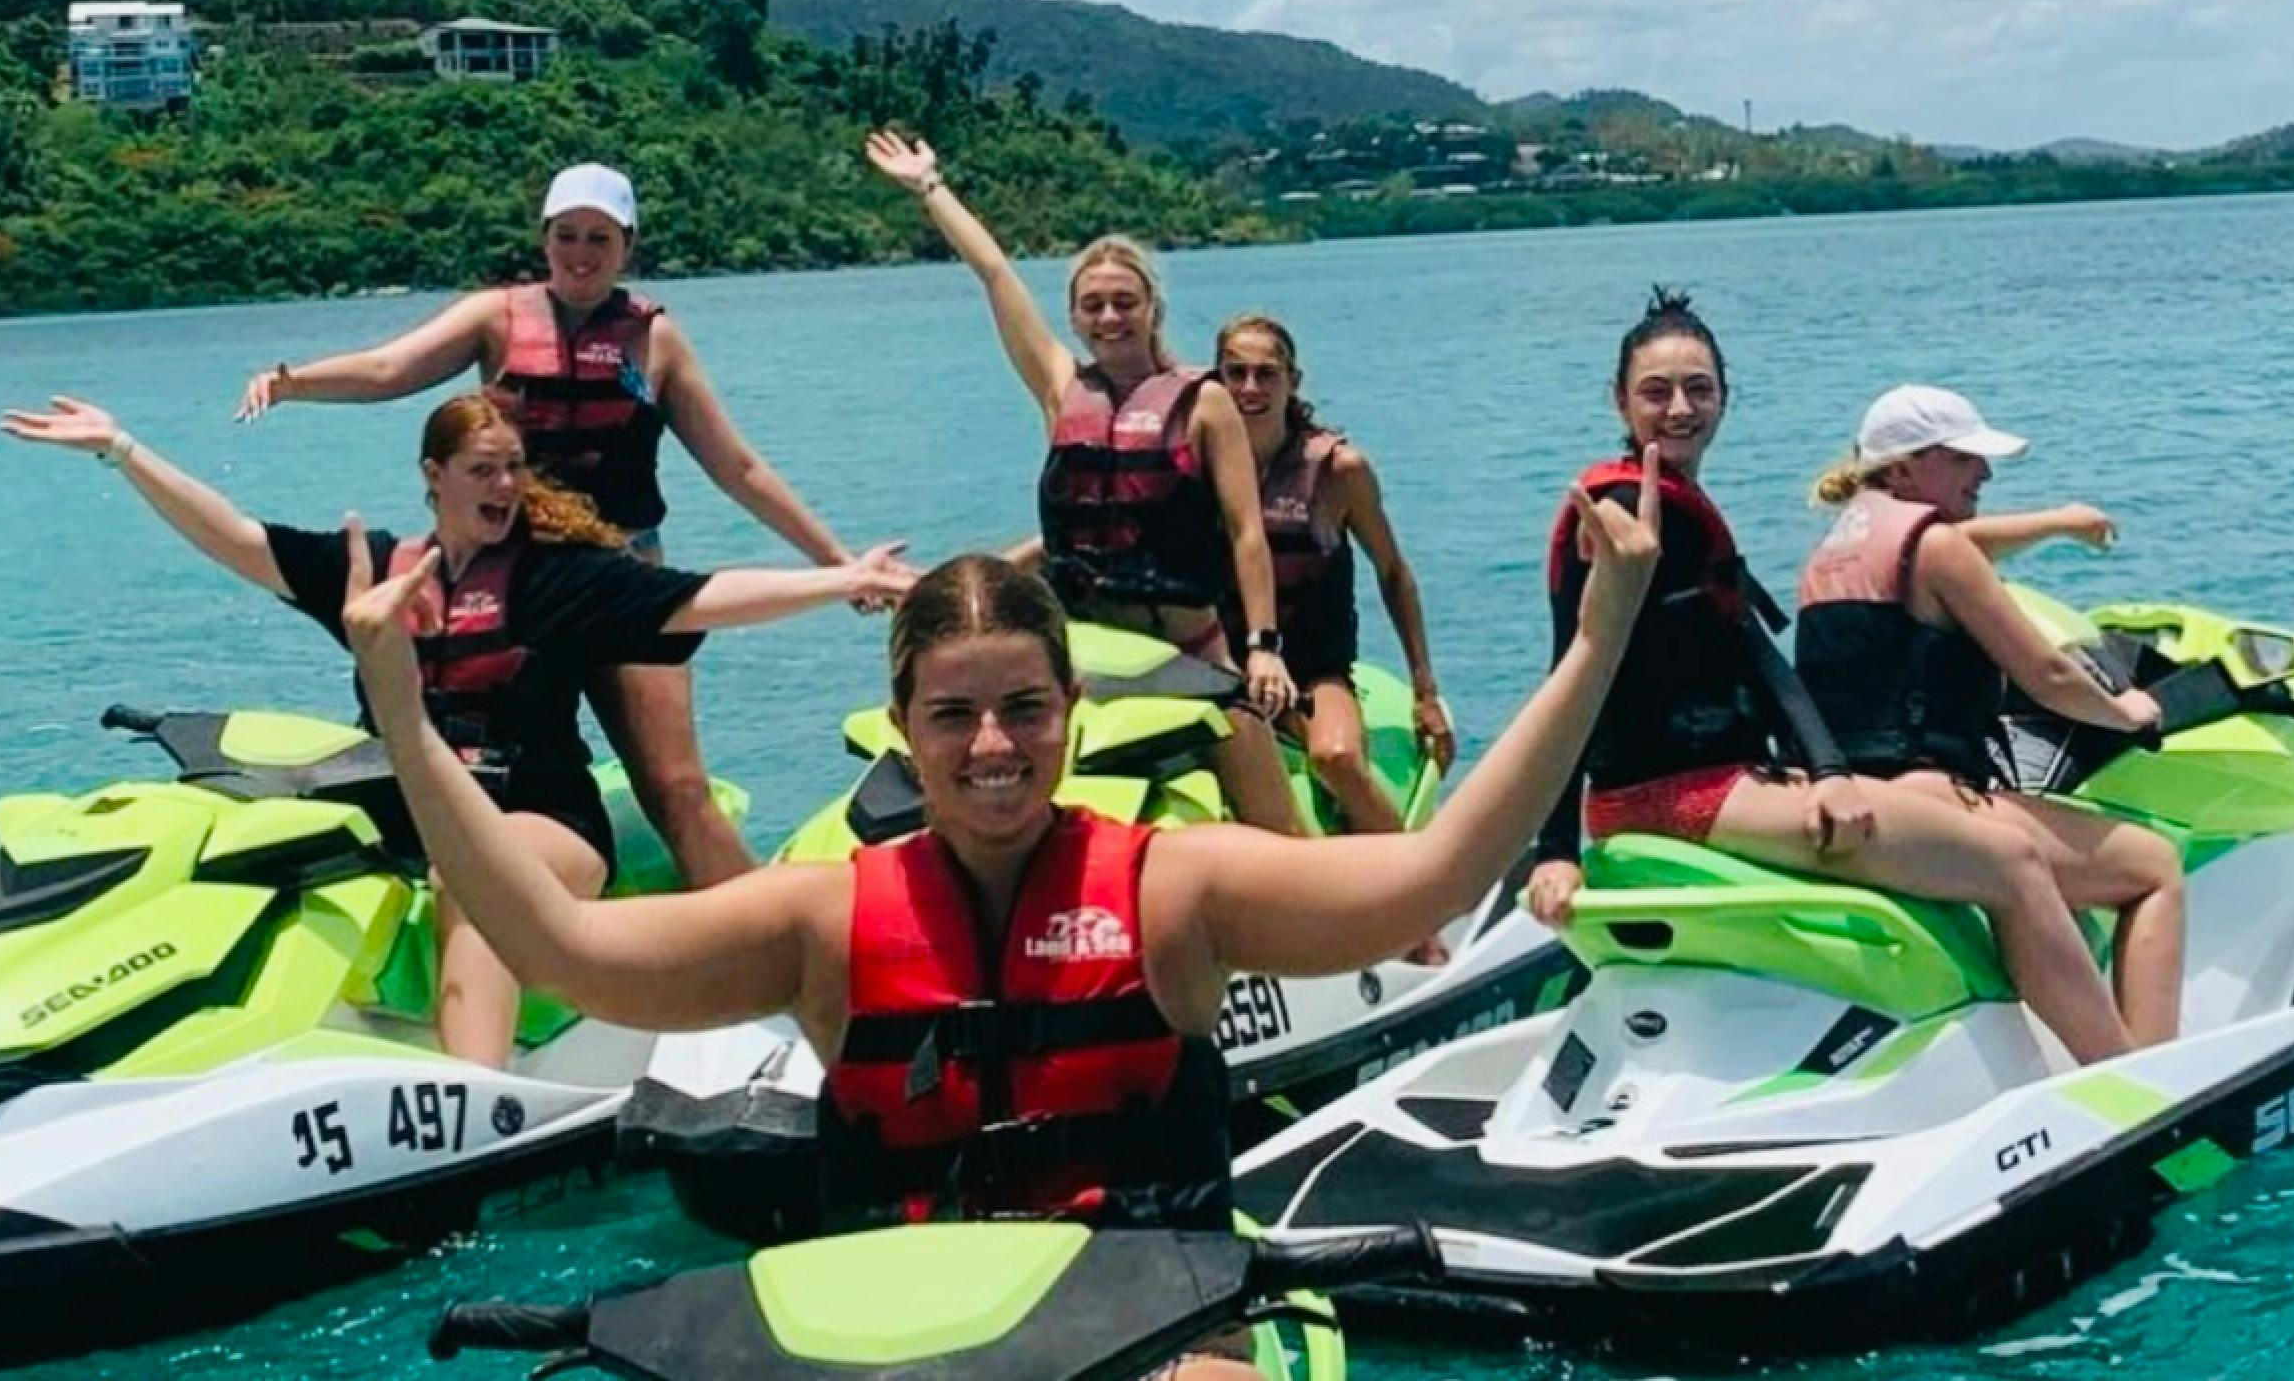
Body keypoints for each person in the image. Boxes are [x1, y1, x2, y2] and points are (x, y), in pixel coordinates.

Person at [324, 473, 1661, 1379]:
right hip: (895, 1344)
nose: (993, 746)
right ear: (904, 728)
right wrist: (404, 709)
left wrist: (1597, 642)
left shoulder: (1175, 888)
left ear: (1070, 709)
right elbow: (562, 949)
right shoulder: (826, 917)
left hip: (1158, 1337)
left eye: (1024, 708)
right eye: (954, 715)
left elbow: (1432, 878)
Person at [0, 393, 916, 1066]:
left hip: (543, 821)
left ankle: (477, 1095)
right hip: (415, 816)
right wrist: (122, 449)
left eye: (514, 467)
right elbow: (235, 538)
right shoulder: (373, 571)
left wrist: (842, 579)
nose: (505, 485)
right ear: (434, 478)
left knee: (474, 877)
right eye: (483, 469)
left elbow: (703, 598)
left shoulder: (555, 578)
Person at [1521, 291, 2160, 1066]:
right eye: (1657, 392)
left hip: (1721, 780)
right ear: (1620, 400)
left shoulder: (1684, 509)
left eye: (1699, 388)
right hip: (1678, 794)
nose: (1680, 408)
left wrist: (1826, 772)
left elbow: (1757, 656)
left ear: (1725, 396)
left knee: (1979, 847)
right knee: (2011, 861)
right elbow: (1570, 675)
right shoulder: (1621, 509)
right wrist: (1554, 849)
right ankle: (2127, 1077)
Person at [230, 163, 864, 888]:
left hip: (617, 581)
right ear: (544, 238)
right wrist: (294, 382)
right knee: (483, 758)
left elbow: (738, 468)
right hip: (519, 585)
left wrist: (837, 562)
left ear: (627, 245)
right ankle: (508, 896)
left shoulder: (655, 340)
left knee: (676, 787)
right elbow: (386, 368)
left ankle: (758, 934)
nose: (581, 253)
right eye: (567, 235)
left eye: (600, 238)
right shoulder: (494, 319)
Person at [864, 130, 1305, 838]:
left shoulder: (1205, 402)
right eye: (1093, 305)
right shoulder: (1062, 388)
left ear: (1153, 309)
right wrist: (929, 187)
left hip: (1184, 654)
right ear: (1073, 315)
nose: (1109, 317)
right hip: (1079, 651)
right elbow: (995, 274)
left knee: (1255, 771)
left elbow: (1247, 533)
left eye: (1124, 302)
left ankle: (1308, 886)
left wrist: (1263, 647)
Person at [1798, 384, 2184, 1049]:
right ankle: (2150, 1075)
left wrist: (2059, 523)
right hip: (1933, 797)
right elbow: (2050, 676)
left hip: (1859, 798)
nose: (1984, 472)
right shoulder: (1937, 550)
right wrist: (2127, 712)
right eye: (1962, 458)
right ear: (1904, 470)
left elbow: (1961, 545)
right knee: (2154, 869)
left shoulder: (1835, 551)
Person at [1215, 313, 1456, 962]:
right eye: (1235, 373)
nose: (1250, 387)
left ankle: (1420, 921)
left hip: (1314, 667)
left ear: (1293, 380)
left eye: (1266, 373)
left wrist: (1425, 691)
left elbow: (1394, 573)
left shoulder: (1337, 470)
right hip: (1228, 670)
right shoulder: (1198, 465)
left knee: (1336, 760)